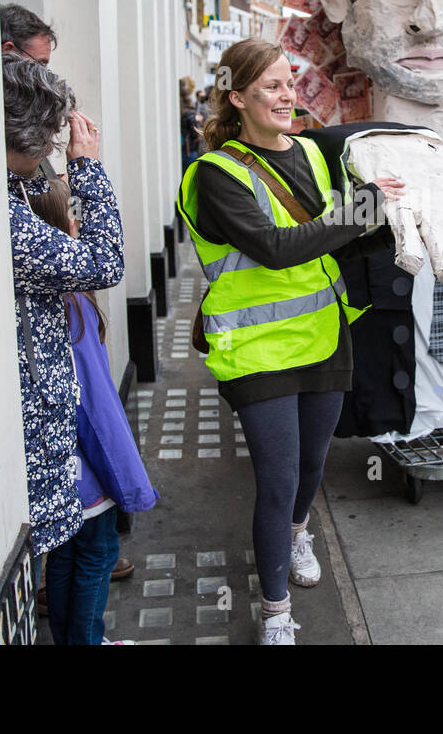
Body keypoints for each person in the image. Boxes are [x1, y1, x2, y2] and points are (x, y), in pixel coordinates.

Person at [178, 38, 403, 645]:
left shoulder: (309, 151)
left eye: (289, 82)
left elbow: (337, 240)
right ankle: (276, 612)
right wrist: (357, 214)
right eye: (270, 86)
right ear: (238, 97)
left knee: (311, 465)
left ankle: (299, 531)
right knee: (276, 480)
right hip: (257, 353)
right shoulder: (216, 173)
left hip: (325, 335)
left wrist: (393, 224)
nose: (286, 95)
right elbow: (276, 251)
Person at [4, 54, 125, 603]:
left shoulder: (9, 191)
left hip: (42, 413)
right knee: (69, 550)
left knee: (72, 545)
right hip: (32, 420)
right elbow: (105, 261)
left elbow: (47, 205)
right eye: (50, 141)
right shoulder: (5, 214)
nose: (55, 151)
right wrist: (87, 168)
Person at [26, 181, 159, 645]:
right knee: (97, 554)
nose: (82, 225)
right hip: (86, 468)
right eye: (75, 215)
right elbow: (97, 406)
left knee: (63, 559)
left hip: (54, 464)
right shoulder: (74, 303)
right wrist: (125, 478)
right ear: (57, 227)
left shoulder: (37, 299)